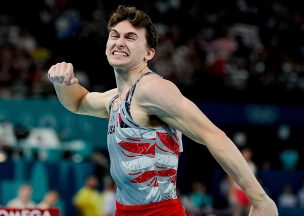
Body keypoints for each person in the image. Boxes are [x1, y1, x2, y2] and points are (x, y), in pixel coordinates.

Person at [47, 5, 278, 216]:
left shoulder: (153, 89)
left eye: (130, 38)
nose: (119, 42)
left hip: (159, 212)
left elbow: (213, 135)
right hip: (124, 211)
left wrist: (260, 200)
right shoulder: (116, 98)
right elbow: (78, 102)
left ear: (149, 53)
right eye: (114, 35)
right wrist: (62, 83)